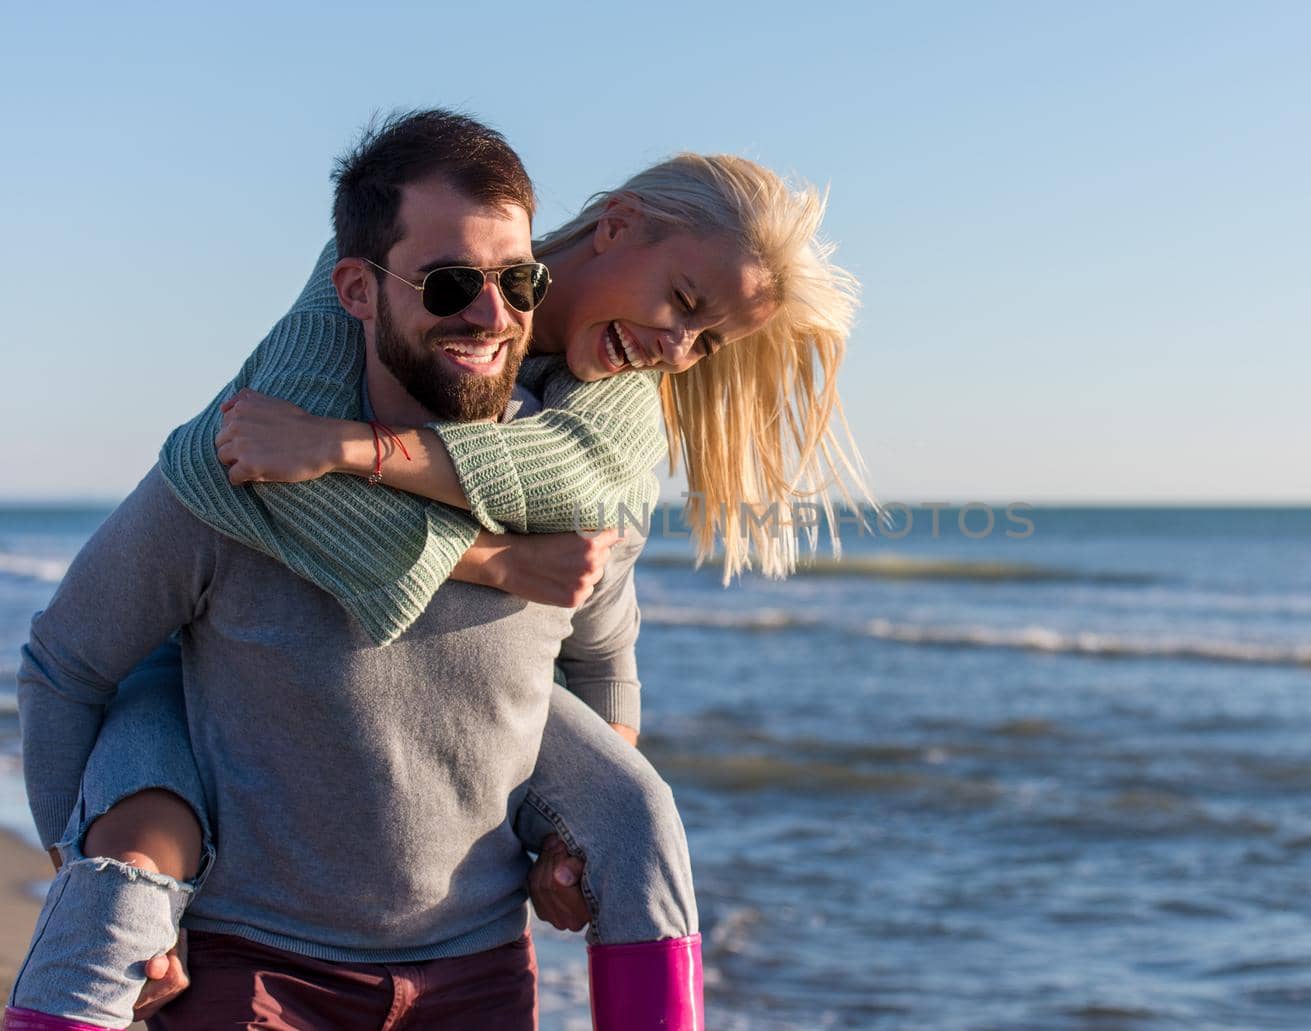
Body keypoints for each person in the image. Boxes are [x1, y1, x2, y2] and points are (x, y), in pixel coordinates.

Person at [8, 111, 865, 1031]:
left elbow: (603, 662)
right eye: (453, 283)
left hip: (480, 972)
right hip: (259, 970)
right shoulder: (254, 459)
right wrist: (89, 880)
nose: (491, 315)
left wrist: (568, 841)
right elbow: (69, 662)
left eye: (516, 283)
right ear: (359, 291)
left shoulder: (588, 490)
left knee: (643, 818)